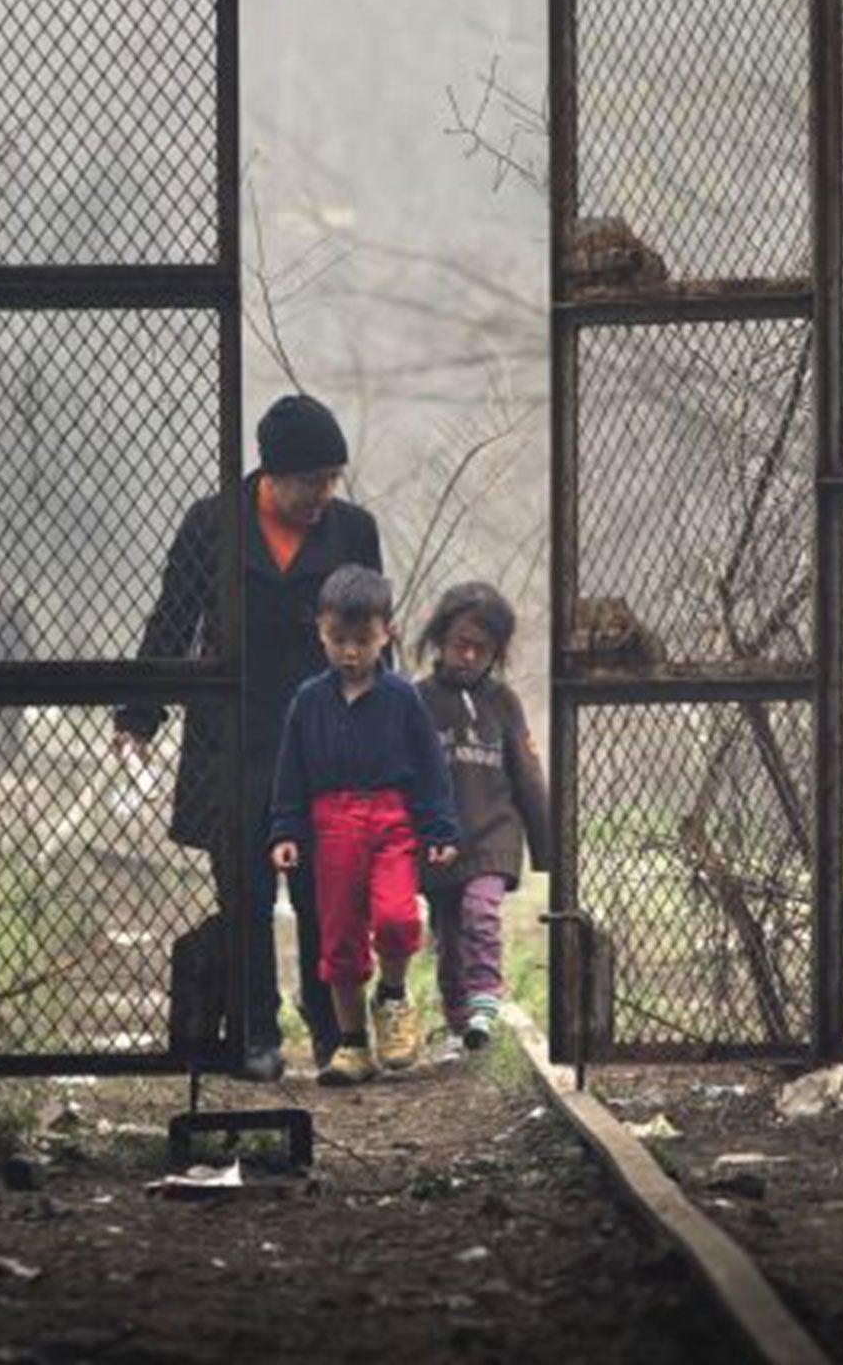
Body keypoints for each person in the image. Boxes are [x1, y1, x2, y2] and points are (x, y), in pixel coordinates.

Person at [115, 394, 381, 1081]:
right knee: (246, 893)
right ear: (272, 473)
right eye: (309, 481)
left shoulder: (354, 530)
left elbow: (375, 629)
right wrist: (138, 712)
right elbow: (175, 615)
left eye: (331, 478)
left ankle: (333, 1033)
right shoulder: (213, 524)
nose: (322, 494)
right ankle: (254, 1032)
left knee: (330, 892)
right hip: (234, 734)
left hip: (328, 736)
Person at [268, 565, 459, 1086]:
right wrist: (285, 830)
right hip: (331, 826)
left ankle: (393, 997)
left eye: (362, 640)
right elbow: (291, 771)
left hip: (392, 820)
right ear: (321, 633)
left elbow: (430, 768)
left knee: (398, 918)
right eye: (338, 640)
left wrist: (440, 830)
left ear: (386, 635)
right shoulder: (308, 700)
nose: (349, 652)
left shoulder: (401, 698)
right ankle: (352, 1045)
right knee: (340, 939)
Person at [413, 581, 551, 1059]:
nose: (468, 656)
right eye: (460, 645)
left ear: (496, 652)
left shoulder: (502, 702)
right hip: (438, 841)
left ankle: (486, 1001)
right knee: (447, 936)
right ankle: (458, 1025)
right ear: (440, 641)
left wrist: (547, 845)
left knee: (480, 911)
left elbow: (528, 772)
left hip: (494, 833)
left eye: (481, 649)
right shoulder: (419, 700)